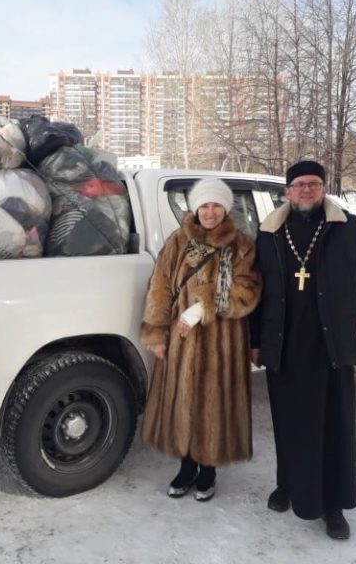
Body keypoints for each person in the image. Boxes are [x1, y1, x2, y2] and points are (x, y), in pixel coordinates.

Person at [250, 160, 356, 539]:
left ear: (323, 188)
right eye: (299, 184)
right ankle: (288, 484)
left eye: (313, 183)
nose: (306, 190)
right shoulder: (269, 231)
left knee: (334, 426)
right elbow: (257, 291)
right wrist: (255, 340)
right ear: (287, 191)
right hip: (285, 346)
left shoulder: (345, 227)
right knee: (288, 422)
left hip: (331, 345)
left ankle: (333, 504)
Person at [141, 177, 262, 502]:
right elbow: (159, 287)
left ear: (226, 208)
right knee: (182, 403)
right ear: (195, 209)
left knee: (214, 407)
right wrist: (156, 332)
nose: (210, 212)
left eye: (216, 205)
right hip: (181, 341)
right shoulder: (178, 241)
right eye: (204, 205)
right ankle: (186, 467)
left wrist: (202, 308)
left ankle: (208, 471)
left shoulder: (241, 245)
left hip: (223, 342)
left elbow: (247, 291)